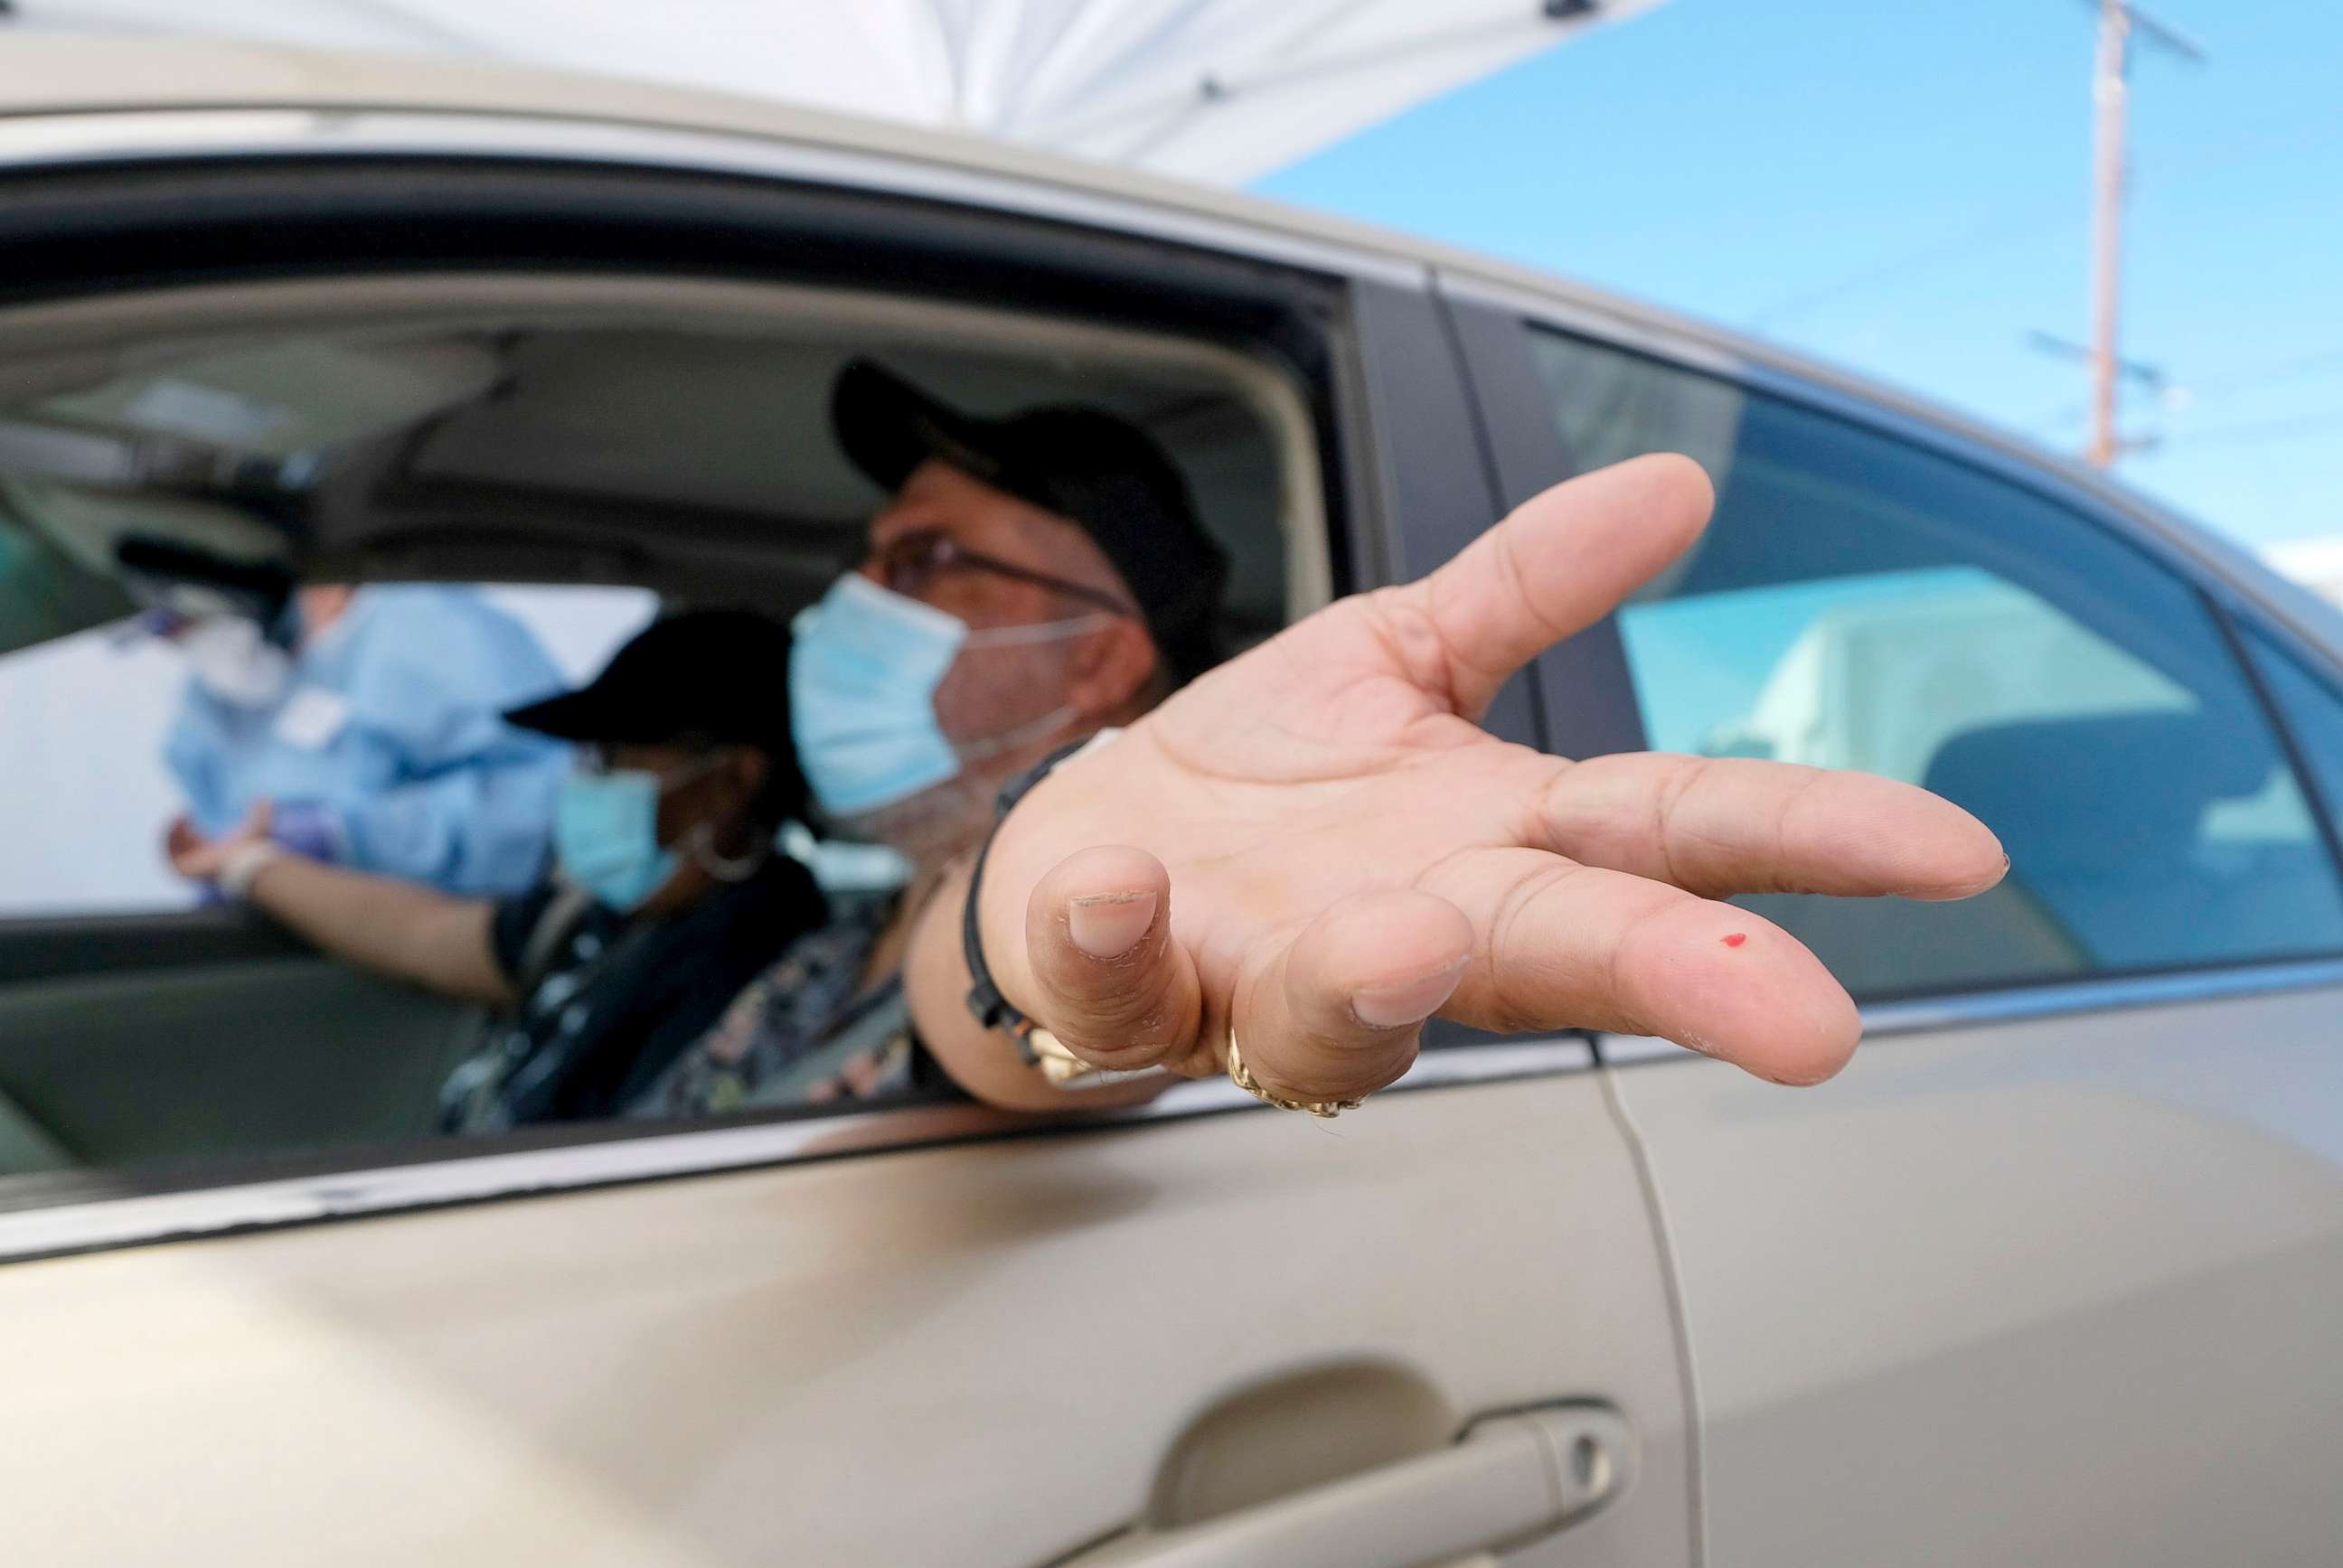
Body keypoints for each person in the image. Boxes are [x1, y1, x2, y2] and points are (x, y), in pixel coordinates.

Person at [901, 452, 2013, 1115]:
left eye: (923, 562)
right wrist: (1017, 870)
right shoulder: (830, 895)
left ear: (1098, 655)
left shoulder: (1200, 884)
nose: (842, 609)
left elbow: (963, 1053)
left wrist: (1025, 967)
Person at [635, 357, 1224, 1115]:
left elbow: (1060, 1014)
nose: (853, 596)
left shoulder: (1157, 923)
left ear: (1100, 660)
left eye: (927, 560)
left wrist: (1066, 966)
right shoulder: (851, 933)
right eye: (865, 559)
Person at [165, 610, 827, 1131]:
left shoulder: (759, 955)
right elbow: (425, 935)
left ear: (733, 780)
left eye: (615, 755)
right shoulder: (608, 912)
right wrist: (248, 865)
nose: (587, 780)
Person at [161, 583, 570, 897]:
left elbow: (544, 798)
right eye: (164, 629)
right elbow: (227, 832)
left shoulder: (419, 625)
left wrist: (343, 838)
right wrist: (225, 867)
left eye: (188, 618)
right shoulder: (208, 711)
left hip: (462, 932)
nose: (182, 638)